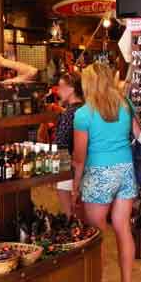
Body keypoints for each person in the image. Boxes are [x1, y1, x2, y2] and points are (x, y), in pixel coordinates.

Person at [73, 62, 141, 282]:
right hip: (125, 170)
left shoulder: (83, 114)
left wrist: (75, 187)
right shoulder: (126, 105)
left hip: (98, 173)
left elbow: (79, 157)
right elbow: (139, 135)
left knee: (97, 233)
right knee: (123, 227)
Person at [54, 72, 84, 220]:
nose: (58, 91)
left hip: (69, 166)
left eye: (60, 87)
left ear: (71, 89)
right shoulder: (85, 109)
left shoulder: (69, 114)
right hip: (86, 166)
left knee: (70, 214)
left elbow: (61, 143)